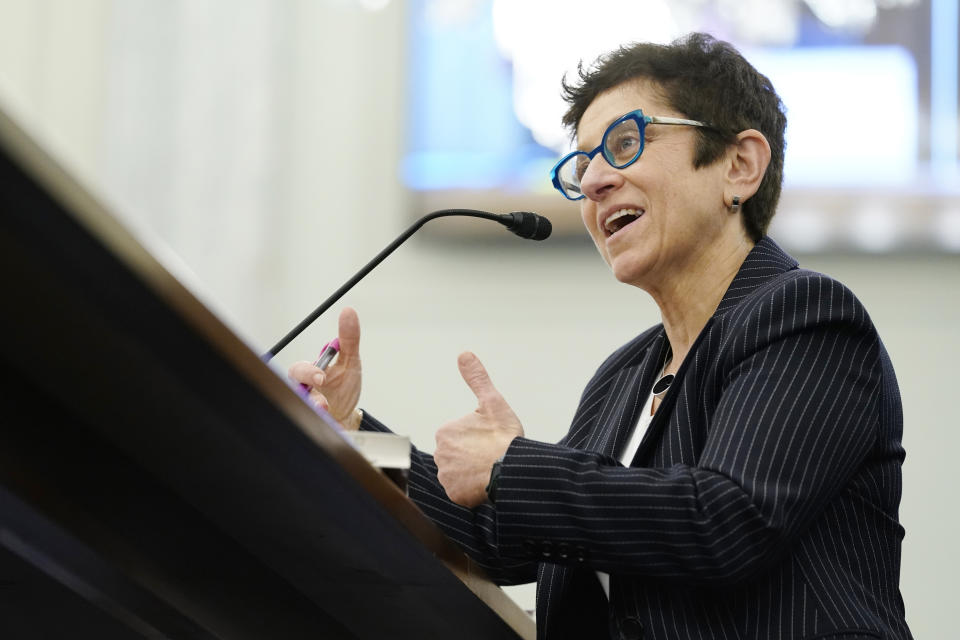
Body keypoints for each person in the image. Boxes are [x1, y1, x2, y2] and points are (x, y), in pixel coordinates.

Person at [290, 33, 912, 640]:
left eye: (625, 143)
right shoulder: (625, 376)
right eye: (583, 164)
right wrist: (351, 434)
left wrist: (510, 466)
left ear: (739, 165)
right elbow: (501, 542)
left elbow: (725, 522)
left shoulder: (806, 318)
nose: (592, 182)